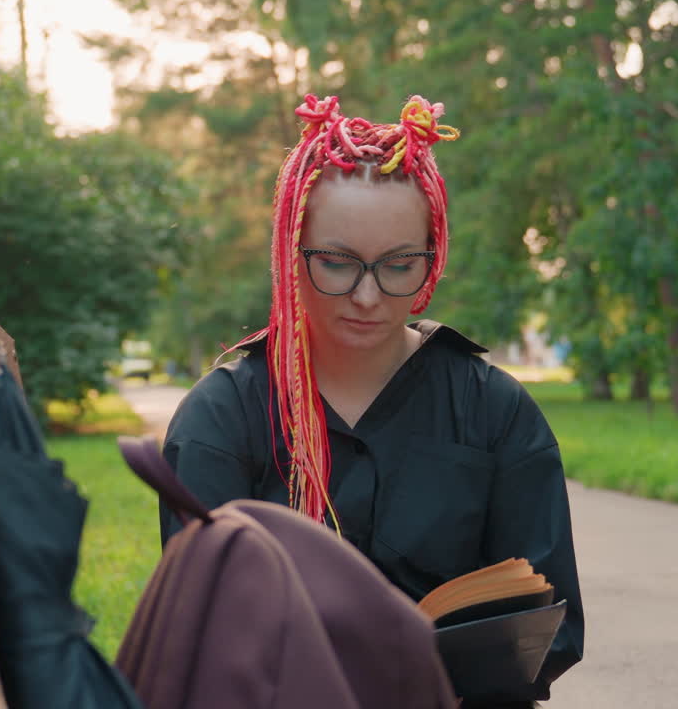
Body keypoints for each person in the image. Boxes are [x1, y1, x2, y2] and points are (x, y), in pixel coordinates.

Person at [159, 94, 584, 707]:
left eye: (398, 265)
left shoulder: (494, 411)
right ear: (291, 249)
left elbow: (554, 625)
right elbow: (198, 634)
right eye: (337, 263)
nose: (366, 296)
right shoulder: (222, 418)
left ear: (431, 256)